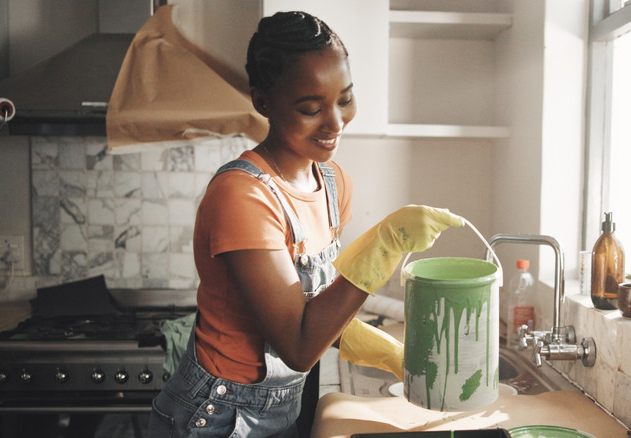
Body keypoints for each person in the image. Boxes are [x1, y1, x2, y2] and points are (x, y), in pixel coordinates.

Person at [147, 10, 463, 438]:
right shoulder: (243, 195)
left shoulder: (332, 183)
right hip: (214, 416)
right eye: (311, 108)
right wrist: (385, 243)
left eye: (345, 99)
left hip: (277, 411)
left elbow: (316, 313)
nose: (335, 122)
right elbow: (297, 345)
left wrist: (395, 355)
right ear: (263, 102)